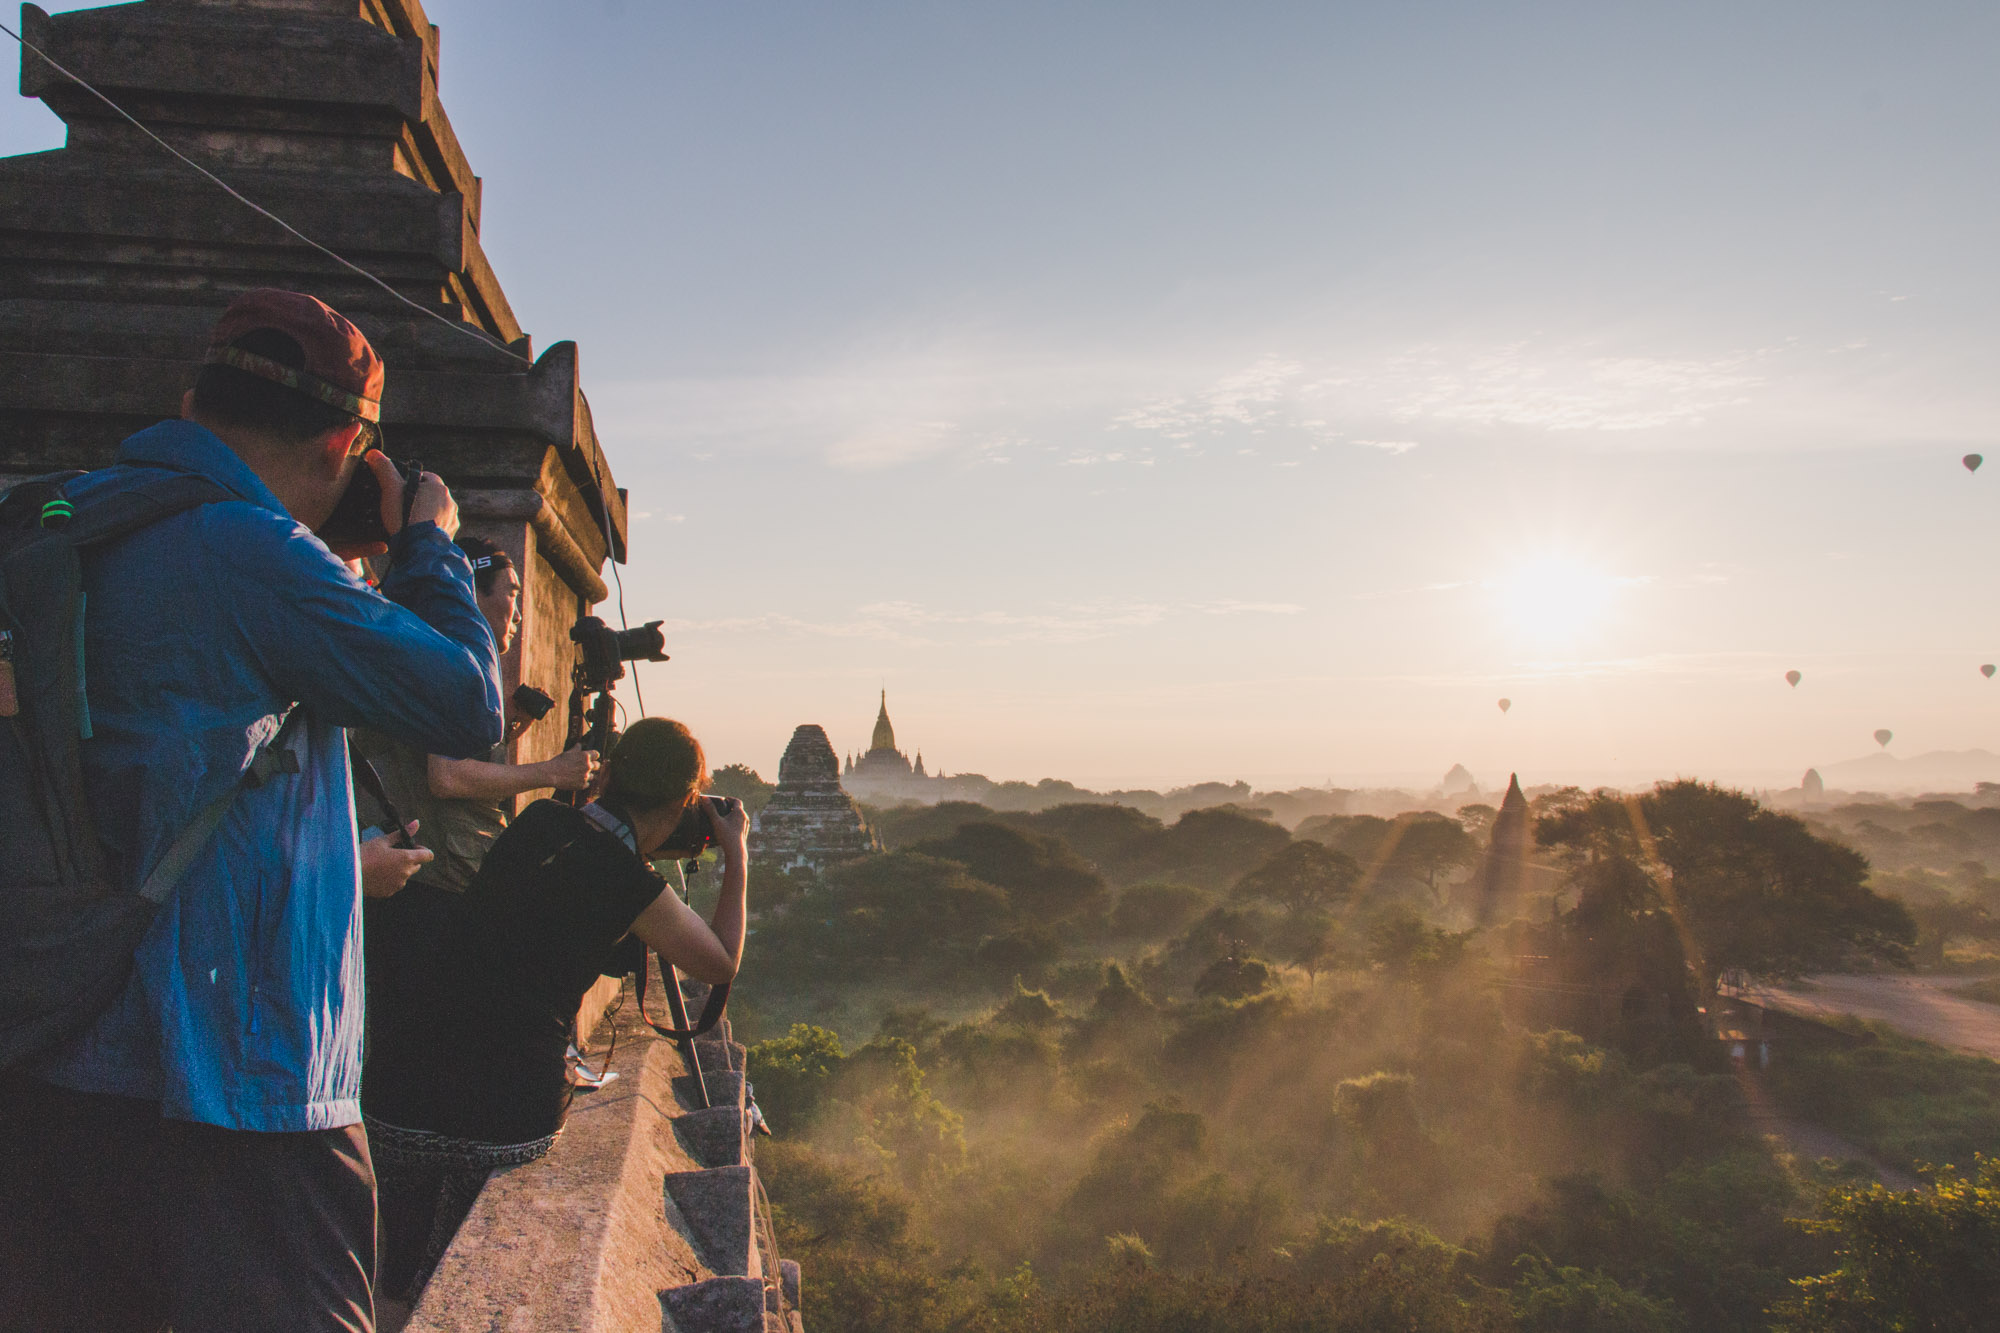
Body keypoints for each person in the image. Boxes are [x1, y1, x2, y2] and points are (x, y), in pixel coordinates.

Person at [0, 289, 504, 1333]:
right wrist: (430, 541)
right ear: (344, 441)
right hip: (235, 1070)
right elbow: (467, 701)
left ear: (190, 400)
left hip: (52, 1045)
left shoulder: (66, 518)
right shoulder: (254, 554)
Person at [361, 717, 748, 1299]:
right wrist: (736, 854)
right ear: (684, 802)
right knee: (447, 1278)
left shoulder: (539, 821)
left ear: (610, 774)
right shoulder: (631, 885)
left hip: (398, 1091)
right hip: (503, 1111)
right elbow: (720, 963)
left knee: (400, 1268)